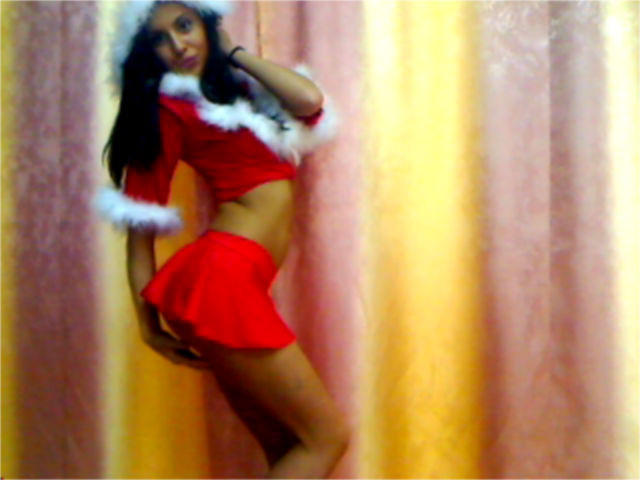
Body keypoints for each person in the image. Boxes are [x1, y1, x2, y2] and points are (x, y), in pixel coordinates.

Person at [93, 1, 348, 477]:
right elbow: (139, 231)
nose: (178, 45)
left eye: (185, 25)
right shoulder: (169, 110)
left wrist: (234, 53)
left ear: (206, 24)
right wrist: (148, 326)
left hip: (234, 282)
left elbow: (309, 100)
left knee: (288, 444)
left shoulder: (244, 95)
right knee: (327, 437)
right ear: (148, 53)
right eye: (160, 38)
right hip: (220, 280)